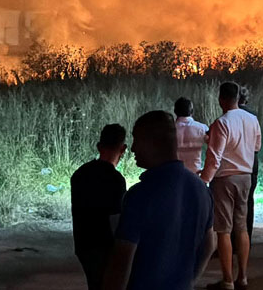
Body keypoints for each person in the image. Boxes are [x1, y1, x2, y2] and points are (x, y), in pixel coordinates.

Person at [103, 111, 215, 290]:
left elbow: (122, 261)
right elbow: (209, 244)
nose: (132, 149)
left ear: (152, 142)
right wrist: (191, 280)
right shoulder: (201, 189)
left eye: (136, 140)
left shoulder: (139, 195)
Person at [200, 82, 262, 290]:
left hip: (225, 179)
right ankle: (243, 277)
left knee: (224, 230)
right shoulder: (252, 119)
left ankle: (227, 281)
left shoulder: (221, 123)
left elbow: (214, 157)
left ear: (221, 99)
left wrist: (204, 180)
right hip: (246, 176)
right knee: (241, 226)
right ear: (238, 97)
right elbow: (257, 146)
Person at [71, 124, 128, 290]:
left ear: (99, 146)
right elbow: (115, 220)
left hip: (84, 244)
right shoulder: (116, 179)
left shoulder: (80, 174)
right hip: (105, 247)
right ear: (123, 148)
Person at [237, 86, 259, 236]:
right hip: (252, 161)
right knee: (248, 200)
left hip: (237, 162)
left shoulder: (231, 115)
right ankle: (247, 235)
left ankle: (234, 239)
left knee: (233, 204)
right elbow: (257, 143)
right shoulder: (254, 116)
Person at [175, 97, 208, 173]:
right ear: (192, 111)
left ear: (175, 111)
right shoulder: (202, 128)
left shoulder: (169, 130)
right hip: (194, 173)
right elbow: (215, 150)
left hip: (175, 173)